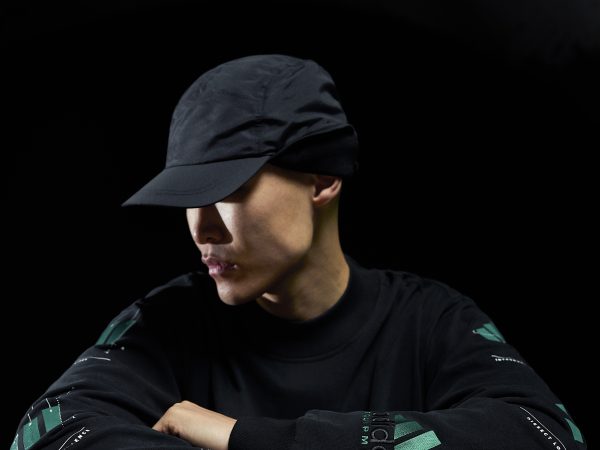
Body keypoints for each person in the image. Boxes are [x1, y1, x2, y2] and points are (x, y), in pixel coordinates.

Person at [11, 54, 586, 450]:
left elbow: (545, 436)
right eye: (189, 199)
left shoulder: (432, 321)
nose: (202, 228)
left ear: (322, 179)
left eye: (229, 190)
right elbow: (46, 432)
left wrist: (245, 438)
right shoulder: (165, 321)